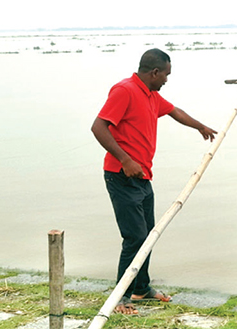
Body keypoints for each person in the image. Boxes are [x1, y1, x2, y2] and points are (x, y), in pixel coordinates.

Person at [91, 48, 217, 315]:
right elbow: (98, 127)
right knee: (134, 237)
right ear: (154, 72)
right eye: (166, 75)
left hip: (143, 176)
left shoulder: (151, 95)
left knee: (147, 235)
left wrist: (200, 126)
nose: (167, 81)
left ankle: (141, 289)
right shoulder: (124, 90)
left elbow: (174, 111)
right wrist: (125, 160)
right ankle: (121, 297)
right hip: (120, 175)